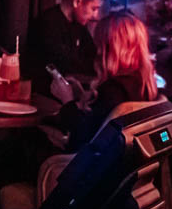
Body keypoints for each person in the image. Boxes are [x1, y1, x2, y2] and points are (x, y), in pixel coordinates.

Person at [49, 12, 159, 149]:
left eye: (99, 44)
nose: (97, 51)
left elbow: (82, 139)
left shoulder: (113, 90)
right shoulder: (144, 83)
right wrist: (83, 96)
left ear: (108, 48)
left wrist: (67, 101)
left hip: (90, 161)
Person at [24, 0, 106, 85]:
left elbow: (92, 56)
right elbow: (64, 67)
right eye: (94, 9)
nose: (96, 16)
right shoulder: (48, 23)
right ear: (77, 2)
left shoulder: (79, 24)